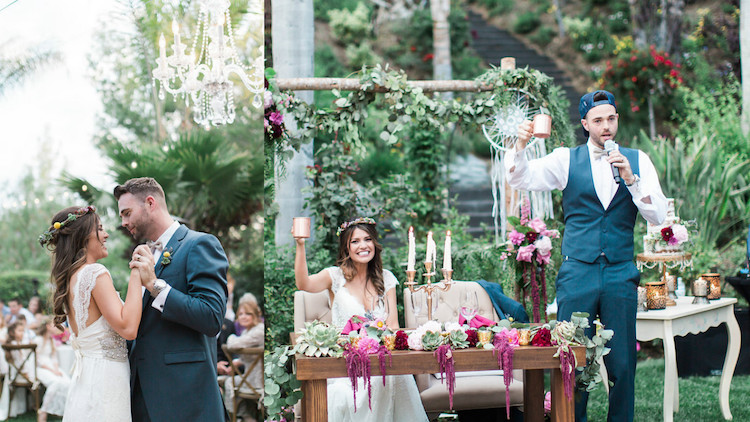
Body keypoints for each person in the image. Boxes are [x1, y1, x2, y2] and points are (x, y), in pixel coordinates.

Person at [505, 90, 667, 421]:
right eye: (598, 120)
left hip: (621, 273)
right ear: (585, 124)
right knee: (572, 361)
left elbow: (658, 216)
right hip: (578, 272)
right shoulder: (566, 159)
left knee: (622, 364)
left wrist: (632, 181)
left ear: (617, 120)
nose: (606, 126)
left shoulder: (638, 160)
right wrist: (519, 147)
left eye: (611, 119)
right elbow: (521, 177)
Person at [115, 177, 228, 421]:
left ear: (150, 203)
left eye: (127, 213)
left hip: (186, 398)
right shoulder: (143, 255)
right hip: (141, 397)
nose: (123, 223)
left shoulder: (199, 244)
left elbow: (211, 317)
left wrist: (155, 286)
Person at [294, 217, 428, 422]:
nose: (363, 246)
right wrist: (300, 244)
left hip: (381, 360)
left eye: (367, 239)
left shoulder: (387, 278)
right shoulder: (335, 277)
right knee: (365, 387)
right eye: (355, 241)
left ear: (374, 243)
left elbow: (393, 325)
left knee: (394, 377)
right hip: (346, 364)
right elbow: (303, 284)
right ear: (346, 248)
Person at [39, 205, 143, 421]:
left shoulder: (71, 279)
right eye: (100, 229)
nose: (106, 235)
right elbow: (128, 328)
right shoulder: (95, 273)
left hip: (86, 379)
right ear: (84, 235)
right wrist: (136, 272)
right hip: (106, 380)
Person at [222, 293, 264, 422]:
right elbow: (254, 356)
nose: (243, 317)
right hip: (251, 376)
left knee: (229, 382)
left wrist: (230, 337)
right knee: (226, 379)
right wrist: (238, 362)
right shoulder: (247, 332)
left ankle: (238, 416)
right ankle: (245, 416)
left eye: (247, 314)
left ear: (255, 314)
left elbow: (233, 344)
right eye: (240, 314)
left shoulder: (259, 330)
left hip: (258, 380)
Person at [34, 317, 72, 422]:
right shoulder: (38, 340)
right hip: (40, 368)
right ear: (47, 326)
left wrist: (56, 368)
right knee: (55, 382)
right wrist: (51, 370)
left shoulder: (52, 340)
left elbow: (54, 357)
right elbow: (37, 360)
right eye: (54, 325)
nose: (56, 327)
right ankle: (43, 410)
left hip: (51, 366)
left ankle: (63, 410)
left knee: (67, 382)